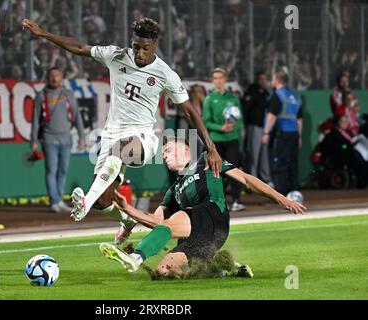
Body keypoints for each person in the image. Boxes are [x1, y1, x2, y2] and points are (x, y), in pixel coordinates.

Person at [22, 17, 222, 243]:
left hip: (142, 138)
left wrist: (211, 147)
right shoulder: (116, 55)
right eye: (136, 47)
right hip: (111, 135)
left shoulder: (165, 74)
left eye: (145, 49)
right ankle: (127, 219)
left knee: (119, 151)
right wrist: (44, 34)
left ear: (154, 46)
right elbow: (79, 48)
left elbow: (189, 112)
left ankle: (85, 202)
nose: (139, 53)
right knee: (104, 202)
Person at [99, 136, 306, 277]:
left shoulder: (207, 162)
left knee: (175, 221)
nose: (165, 156)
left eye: (169, 150)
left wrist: (282, 199)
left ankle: (135, 257)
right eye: (163, 154)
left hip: (213, 218)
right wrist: (127, 209)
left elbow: (246, 180)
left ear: (186, 150)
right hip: (198, 238)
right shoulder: (174, 189)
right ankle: (222, 268)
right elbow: (156, 222)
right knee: (164, 270)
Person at [30, 67, 86, 212]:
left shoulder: (68, 94)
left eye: (57, 75)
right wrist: (34, 141)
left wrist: (82, 136)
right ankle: (54, 201)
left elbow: (77, 116)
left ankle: (59, 199)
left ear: (62, 77)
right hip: (49, 139)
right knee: (51, 170)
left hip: (66, 139)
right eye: (51, 75)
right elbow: (35, 120)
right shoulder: (41, 96)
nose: (54, 78)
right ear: (47, 78)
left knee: (63, 171)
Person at [203, 67, 245, 211]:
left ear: (225, 80)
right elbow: (206, 122)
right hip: (216, 141)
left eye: (220, 78)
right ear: (212, 81)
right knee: (216, 172)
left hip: (232, 139)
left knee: (234, 171)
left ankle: (237, 201)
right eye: (215, 78)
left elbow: (240, 120)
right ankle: (218, 203)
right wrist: (220, 128)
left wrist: (234, 126)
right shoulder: (209, 99)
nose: (218, 81)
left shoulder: (232, 98)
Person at [263, 70, 302, 196]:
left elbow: (271, 117)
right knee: (293, 164)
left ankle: (281, 194)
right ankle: (294, 192)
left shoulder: (277, 96)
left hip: (281, 134)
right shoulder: (295, 96)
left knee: (279, 163)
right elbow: (300, 120)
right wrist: (299, 136)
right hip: (294, 134)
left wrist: (266, 133)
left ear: (277, 81)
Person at [242, 71, 273, 186]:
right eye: (261, 79)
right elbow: (246, 109)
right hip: (254, 127)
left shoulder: (265, 92)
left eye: (265, 79)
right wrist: (246, 125)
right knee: (253, 154)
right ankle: (252, 180)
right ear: (257, 79)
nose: (263, 81)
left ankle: (265, 178)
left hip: (264, 128)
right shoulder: (252, 91)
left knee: (264, 154)